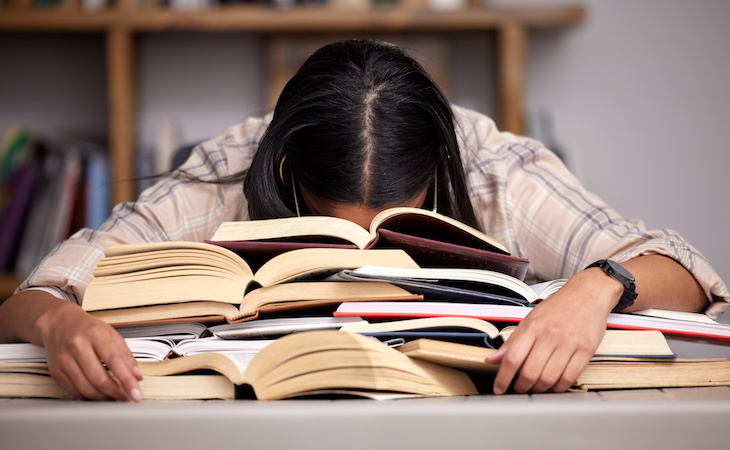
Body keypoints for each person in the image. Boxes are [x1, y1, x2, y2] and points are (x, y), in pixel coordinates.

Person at [0, 39, 727, 401]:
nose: (367, 252)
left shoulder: (492, 168)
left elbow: (688, 274)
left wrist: (596, 288)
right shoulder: (233, 166)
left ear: (439, 174)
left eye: (395, 225)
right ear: (288, 177)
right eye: (338, 224)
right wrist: (57, 322)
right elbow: (36, 294)